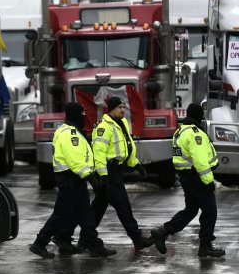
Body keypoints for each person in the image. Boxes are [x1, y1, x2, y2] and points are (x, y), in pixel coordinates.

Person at [61, 97, 153, 253]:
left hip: (115, 170)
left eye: (124, 107)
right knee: (123, 205)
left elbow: (126, 146)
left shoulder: (121, 123)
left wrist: (136, 164)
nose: (123, 110)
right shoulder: (103, 128)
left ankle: (83, 240)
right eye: (119, 107)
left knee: (98, 208)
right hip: (108, 172)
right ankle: (137, 238)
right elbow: (99, 153)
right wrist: (103, 175)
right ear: (110, 109)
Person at [29, 102, 117, 259]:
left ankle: (94, 245)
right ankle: (40, 243)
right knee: (61, 215)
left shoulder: (70, 132)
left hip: (75, 180)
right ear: (75, 115)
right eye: (82, 114)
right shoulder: (70, 134)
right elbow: (76, 161)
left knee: (85, 214)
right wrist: (93, 180)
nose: (84, 117)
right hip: (70, 180)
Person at [151, 103, 225, 258]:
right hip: (196, 177)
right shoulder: (194, 133)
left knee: (191, 210)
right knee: (210, 211)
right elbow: (200, 160)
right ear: (199, 116)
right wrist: (208, 181)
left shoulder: (180, 131)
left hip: (187, 177)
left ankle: (163, 231)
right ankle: (205, 246)